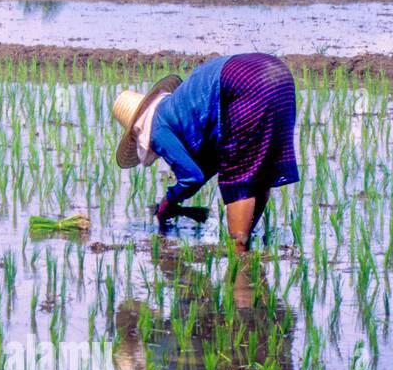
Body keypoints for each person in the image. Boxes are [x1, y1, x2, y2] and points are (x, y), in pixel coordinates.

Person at [112, 52, 299, 250]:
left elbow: (192, 177)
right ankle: (245, 248)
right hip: (279, 74)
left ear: (136, 132)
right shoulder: (178, 108)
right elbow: (208, 166)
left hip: (243, 83)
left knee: (238, 179)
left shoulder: (156, 129)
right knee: (260, 173)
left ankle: (238, 253)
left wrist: (168, 202)